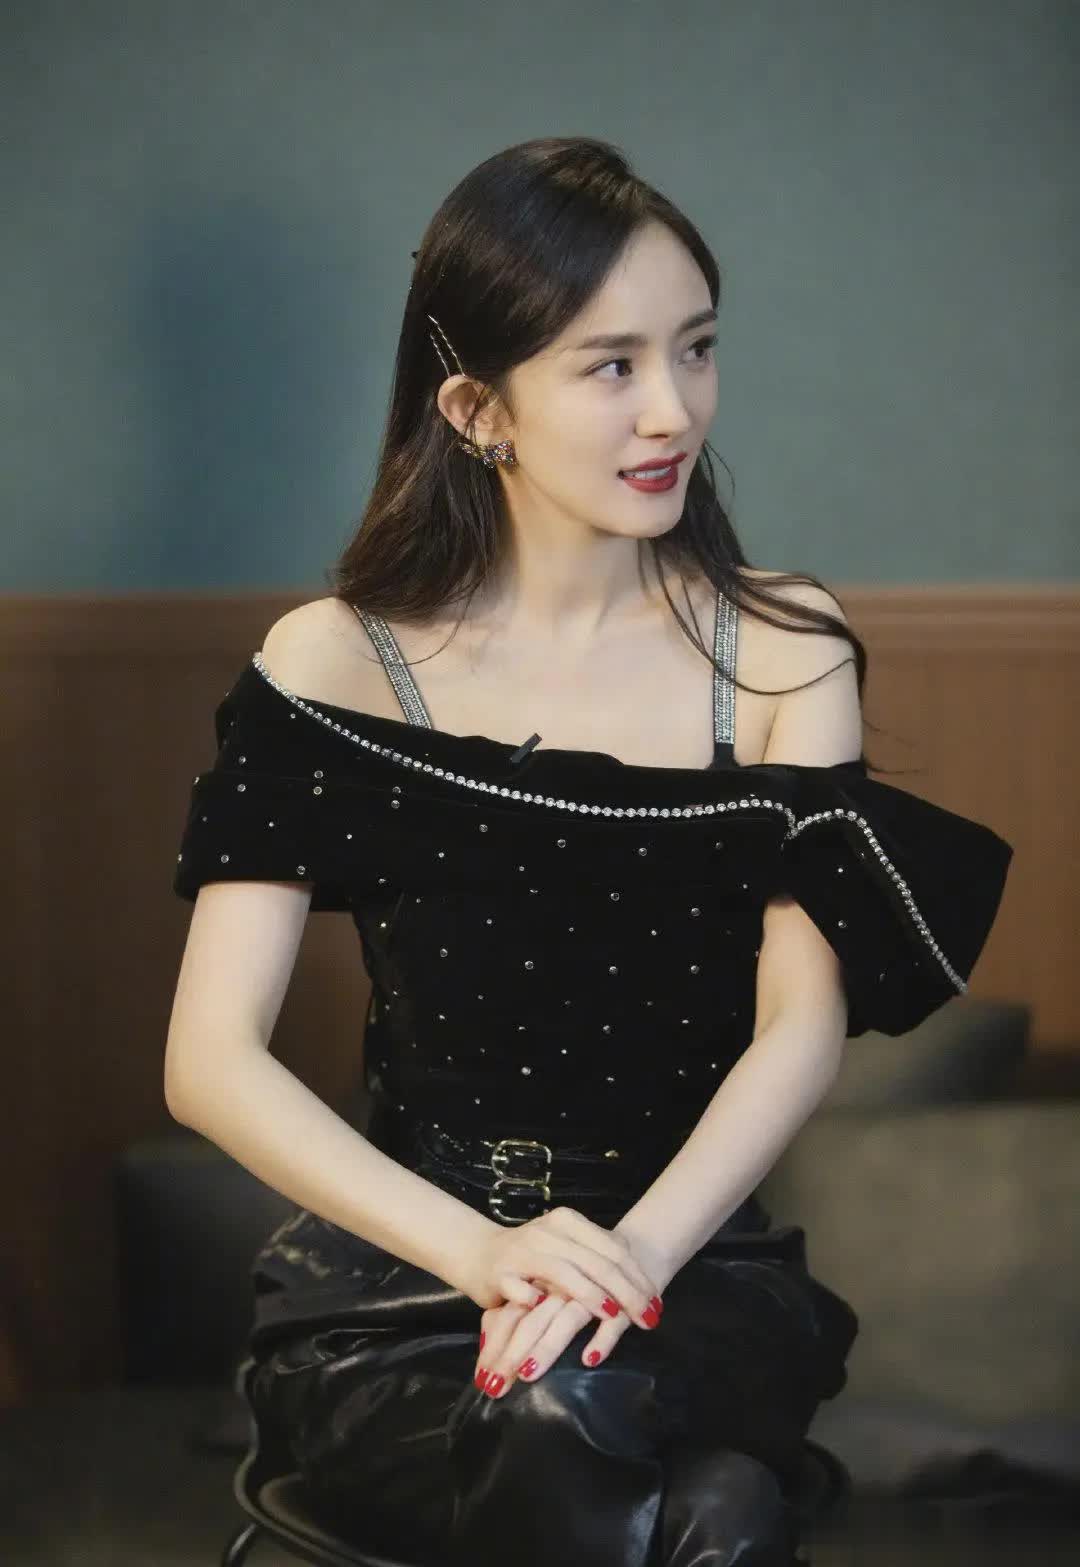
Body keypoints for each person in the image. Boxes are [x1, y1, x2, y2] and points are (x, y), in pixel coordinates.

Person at [164, 137, 1014, 1566]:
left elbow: (798, 1027)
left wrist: (624, 1266)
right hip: (408, 1286)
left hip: (689, 1265)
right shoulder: (337, 661)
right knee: (707, 1512)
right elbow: (208, 1063)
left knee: (591, 1418)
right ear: (476, 409)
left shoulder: (785, 648)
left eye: (697, 348)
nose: (673, 408)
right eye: (610, 365)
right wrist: (491, 1255)